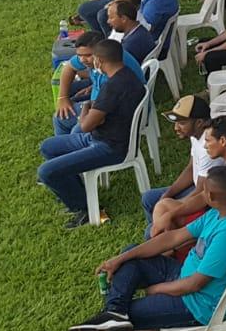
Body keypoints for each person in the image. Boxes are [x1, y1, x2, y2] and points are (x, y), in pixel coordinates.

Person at [67, 166, 226, 331]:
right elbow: (173, 237)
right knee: (130, 258)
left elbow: (195, 284)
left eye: (204, 191)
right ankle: (114, 313)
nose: (200, 193)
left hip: (198, 304)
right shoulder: (222, 211)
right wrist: (120, 259)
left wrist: (158, 289)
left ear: (211, 196)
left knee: (120, 321)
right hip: (183, 274)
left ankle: (114, 316)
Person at [38, 39, 145, 227]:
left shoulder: (112, 87)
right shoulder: (126, 76)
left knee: (46, 171)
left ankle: (84, 209)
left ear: (99, 61)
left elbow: (86, 125)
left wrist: (87, 106)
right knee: (48, 147)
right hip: (102, 136)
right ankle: (75, 192)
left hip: (109, 147)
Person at [141, 94, 221, 234]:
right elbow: (191, 168)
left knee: (151, 229)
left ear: (199, 123)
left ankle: (164, 238)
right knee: (149, 198)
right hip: (196, 186)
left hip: (206, 201)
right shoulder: (196, 135)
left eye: (182, 123)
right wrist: (167, 194)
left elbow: (200, 193)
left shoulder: (208, 147)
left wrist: (171, 210)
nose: (176, 128)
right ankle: (160, 232)